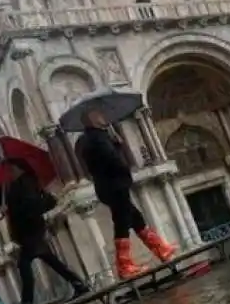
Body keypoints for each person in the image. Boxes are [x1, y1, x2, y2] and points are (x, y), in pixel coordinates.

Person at [75, 109, 176, 279]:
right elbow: (111, 159)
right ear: (92, 119)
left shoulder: (89, 139)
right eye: (99, 115)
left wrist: (116, 143)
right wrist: (123, 170)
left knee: (136, 218)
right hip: (114, 185)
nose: (104, 116)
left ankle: (161, 249)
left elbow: (103, 157)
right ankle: (124, 266)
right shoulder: (98, 138)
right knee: (122, 222)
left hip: (107, 186)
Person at [0, 160, 88, 304]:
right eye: (8, 169)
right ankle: (77, 283)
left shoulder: (26, 183)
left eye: (11, 168)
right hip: (26, 231)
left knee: (25, 265)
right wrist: (1, 195)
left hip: (31, 229)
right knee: (47, 260)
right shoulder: (10, 185)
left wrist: (13, 207)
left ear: (19, 168)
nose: (10, 172)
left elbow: (31, 205)